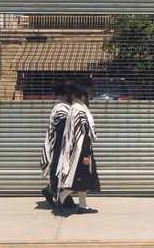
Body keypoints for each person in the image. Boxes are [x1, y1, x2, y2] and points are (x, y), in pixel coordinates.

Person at [56, 78, 100, 214]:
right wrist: (86, 154)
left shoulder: (74, 108)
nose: (90, 97)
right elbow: (84, 133)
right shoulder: (80, 110)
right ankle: (60, 198)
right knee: (78, 178)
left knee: (83, 179)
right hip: (80, 150)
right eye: (88, 94)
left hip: (76, 150)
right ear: (84, 94)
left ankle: (82, 205)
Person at [40, 80, 75, 209]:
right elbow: (60, 133)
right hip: (59, 148)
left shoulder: (60, 107)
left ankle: (56, 193)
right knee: (59, 171)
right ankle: (51, 191)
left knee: (59, 172)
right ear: (65, 96)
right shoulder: (62, 109)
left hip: (58, 148)